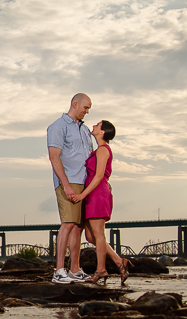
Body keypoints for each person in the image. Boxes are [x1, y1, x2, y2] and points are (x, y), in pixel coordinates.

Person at [71, 120, 129, 284]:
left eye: (98, 125)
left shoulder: (103, 150)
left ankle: (101, 269)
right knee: (90, 236)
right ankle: (119, 261)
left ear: (102, 132)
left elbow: (98, 176)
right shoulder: (97, 151)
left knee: (98, 234)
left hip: (97, 194)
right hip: (94, 193)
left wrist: (82, 195)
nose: (94, 126)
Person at [47, 93, 93, 284]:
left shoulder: (85, 129)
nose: (87, 111)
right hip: (69, 181)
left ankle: (74, 269)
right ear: (75, 104)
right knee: (67, 223)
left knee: (78, 227)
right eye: (86, 107)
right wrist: (65, 185)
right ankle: (59, 270)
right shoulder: (58, 127)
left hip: (84, 182)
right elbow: (54, 157)